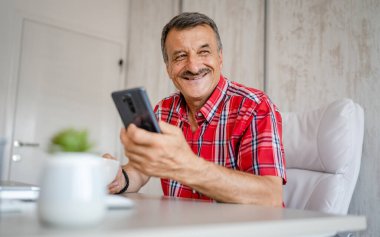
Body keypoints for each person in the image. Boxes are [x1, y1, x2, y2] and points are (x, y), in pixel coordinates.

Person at [104, 12, 286, 206]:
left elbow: (270, 196)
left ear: (220, 57)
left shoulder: (254, 106)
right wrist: (120, 179)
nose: (193, 66)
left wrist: (185, 166)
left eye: (204, 52)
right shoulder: (163, 110)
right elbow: (140, 171)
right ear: (168, 68)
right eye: (180, 56)